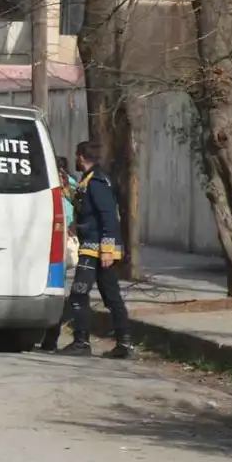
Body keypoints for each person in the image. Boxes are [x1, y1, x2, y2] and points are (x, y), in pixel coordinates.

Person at [44, 141, 133, 358]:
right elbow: (89, 212)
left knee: (79, 295)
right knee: (111, 297)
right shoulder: (87, 181)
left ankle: (82, 343)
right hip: (92, 247)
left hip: (96, 250)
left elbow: (108, 217)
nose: (75, 159)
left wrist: (108, 250)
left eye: (76, 155)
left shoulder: (97, 182)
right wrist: (76, 225)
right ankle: (124, 343)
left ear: (82, 157)